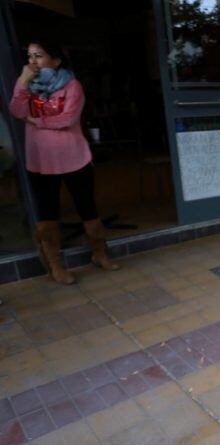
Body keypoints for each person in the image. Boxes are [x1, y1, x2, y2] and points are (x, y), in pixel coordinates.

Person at [9, 39, 118, 285]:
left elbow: (67, 119)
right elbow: (16, 111)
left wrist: (36, 121)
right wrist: (22, 82)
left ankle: (100, 254)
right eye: (30, 56)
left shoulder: (72, 85)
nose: (32, 61)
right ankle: (55, 267)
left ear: (55, 61)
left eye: (39, 56)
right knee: (48, 215)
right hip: (41, 161)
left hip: (75, 158)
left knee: (88, 209)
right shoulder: (27, 87)